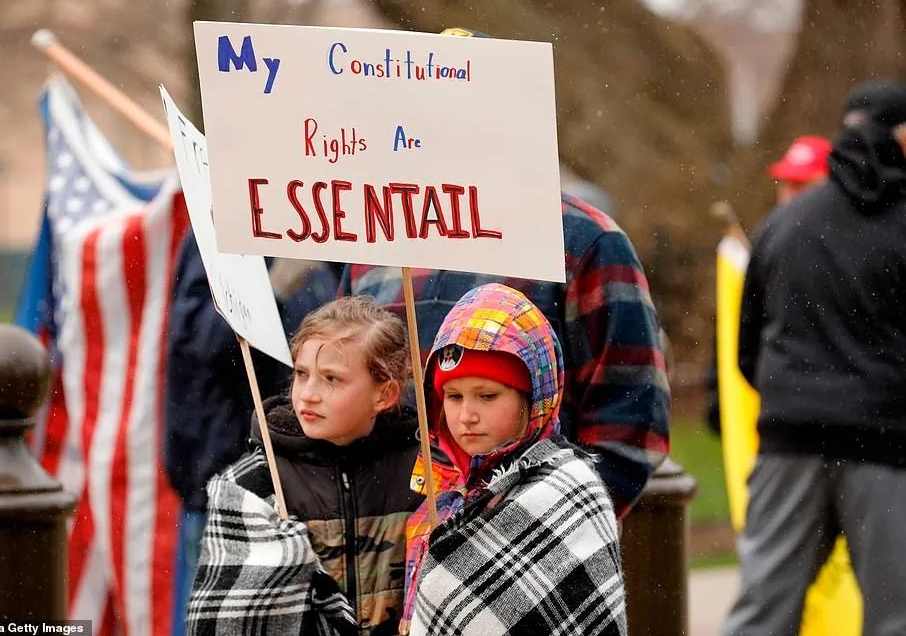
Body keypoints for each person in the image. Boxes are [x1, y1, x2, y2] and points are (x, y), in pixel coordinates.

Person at [341, 189, 669, 516]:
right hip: (382, 540)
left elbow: (629, 421)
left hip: (528, 543)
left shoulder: (583, 239)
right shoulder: (378, 234)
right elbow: (338, 378)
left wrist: (549, 534)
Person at [724, 80, 906, 636]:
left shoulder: (786, 223)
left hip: (790, 440)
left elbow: (746, 349)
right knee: (896, 616)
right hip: (885, 445)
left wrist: (794, 396)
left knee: (764, 611)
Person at [188, 297, 424, 636]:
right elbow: (231, 617)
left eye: (332, 379)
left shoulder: (425, 472)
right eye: (301, 374)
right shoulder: (257, 482)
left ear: (384, 394)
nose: (308, 394)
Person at [400, 283, 626, 636]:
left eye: (487, 396)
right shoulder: (433, 494)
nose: (466, 415)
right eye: (454, 396)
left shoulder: (568, 493)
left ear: (533, 398)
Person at [164, 230, 339, 636]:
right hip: (231, 492)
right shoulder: (215, 230)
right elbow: (201, 344)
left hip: (309, 490)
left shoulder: (317, 228)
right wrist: (274, 290)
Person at [703, 134, 832, 434]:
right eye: (787, 184)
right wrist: (719, 394)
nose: (789, 195)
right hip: (780, 415)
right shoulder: (771, 243)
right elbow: (740, 328)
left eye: (802, 185)